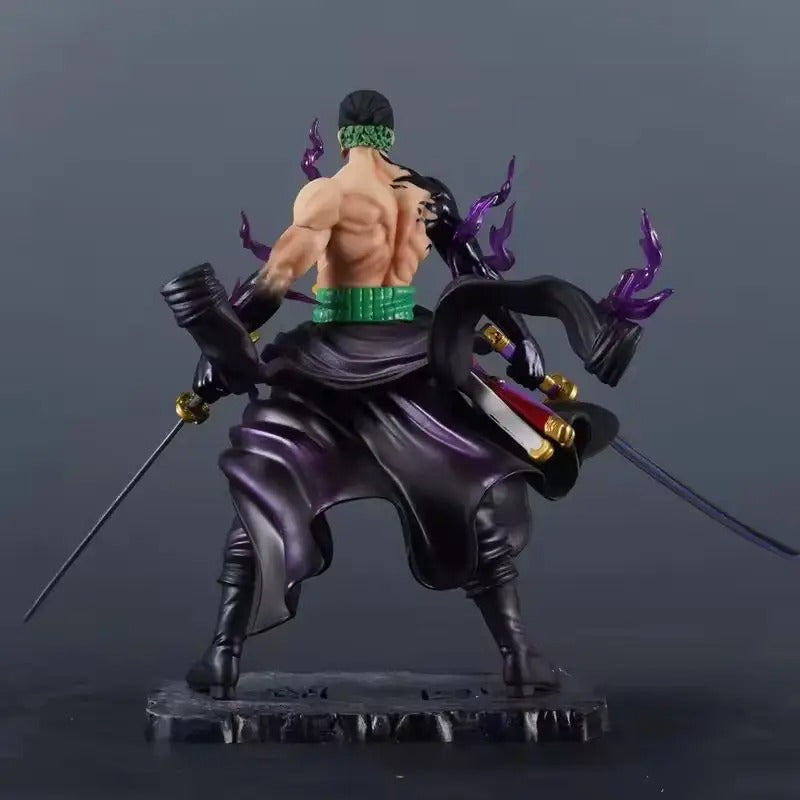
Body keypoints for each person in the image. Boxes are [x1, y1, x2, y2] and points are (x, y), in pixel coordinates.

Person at [161, 89, 652, 700]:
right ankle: (519, 655)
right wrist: (520, 341)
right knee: (473, 484)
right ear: (390, 136)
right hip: (415, 355)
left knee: (268, 480)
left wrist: (221, 348)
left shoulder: (326, 196)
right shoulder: (426, 196)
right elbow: (475, 277)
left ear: (343, 136)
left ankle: (223, 654)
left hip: (327, 364)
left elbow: (274, 281)